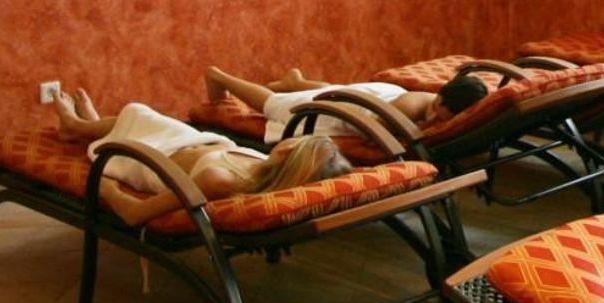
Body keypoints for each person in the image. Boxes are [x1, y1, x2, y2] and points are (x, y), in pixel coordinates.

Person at [48, 89, 355, 227]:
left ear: (289, 152)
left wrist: (105, 189)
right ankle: (87, 126)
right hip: (188, 142)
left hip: (155, 158)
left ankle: (77, 127)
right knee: (139, 112)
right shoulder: (264, 168)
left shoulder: (219, 181)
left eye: (296, 141)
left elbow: (135, 213)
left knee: (137, 113)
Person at [203, 63, 489, 146]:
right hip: (357, 109)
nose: (437, 120)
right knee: (276, 105)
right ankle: (220, 77)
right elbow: (375, 130)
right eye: (437, 112)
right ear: (439, 97)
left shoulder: (450, 106)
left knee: (337, 90)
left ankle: (295, 81)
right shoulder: (412, 107)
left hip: (374, 96)